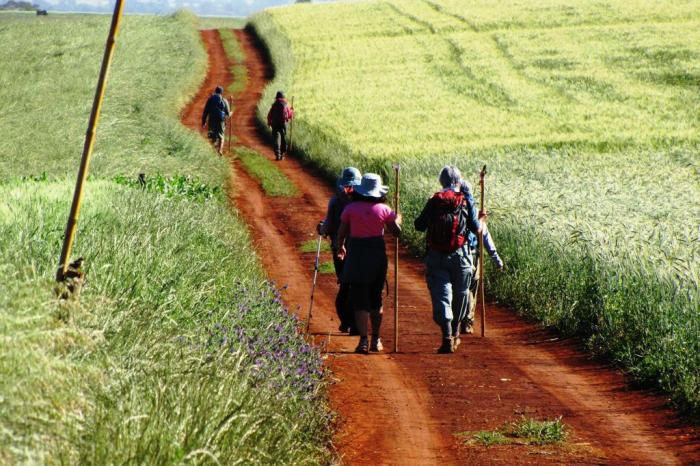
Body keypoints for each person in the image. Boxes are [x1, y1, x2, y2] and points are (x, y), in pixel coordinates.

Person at [414, 166, 481, 354]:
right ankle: (457, 333)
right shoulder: (466, 200)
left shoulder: (434, 200)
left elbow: (419, 225)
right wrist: (481, 221)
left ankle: (447, 337)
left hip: (437, 256)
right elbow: (476, 227)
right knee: (460, 294)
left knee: (442, 294)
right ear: (459, 181)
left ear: (441, 181)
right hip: (462, 255)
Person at [337, 173, 402, 354]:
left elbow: (341, 234)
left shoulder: (350, 208)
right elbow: (397, 232)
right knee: (376, 299)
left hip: (357, 256)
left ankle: (363, 341)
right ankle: (376, 339)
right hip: (377, 258)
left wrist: (341, 247)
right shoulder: (384, 209)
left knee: (360, 300)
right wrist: (397, 217)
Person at [318, 167, 362, 334]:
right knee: (355, 285)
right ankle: (354, 323)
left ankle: (346, 320)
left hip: (339, 249)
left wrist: (321, 229)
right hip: (359, 248)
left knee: (345, 284)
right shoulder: (362, 201)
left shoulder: (336, 201)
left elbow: (328, 225)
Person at [201, 86, 230, 155]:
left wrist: (204, 121)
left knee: (212, 135)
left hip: (211, 120)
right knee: (221, 136)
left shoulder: (210, 99)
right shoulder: (224, 100)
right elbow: (227, 113)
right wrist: (230, 113)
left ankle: (213, 151)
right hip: (220, 121)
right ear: (222, 93)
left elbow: (205, 111)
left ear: (215, 91)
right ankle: (220, 150)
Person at [266, 91, 294, 160]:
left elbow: (269, 115)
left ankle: (277, 154)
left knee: (276, 138)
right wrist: (292, 111)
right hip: (283, 123)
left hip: (274, 124)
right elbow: (289, 115)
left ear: (277, 97)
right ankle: (282, 154)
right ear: (283, 97)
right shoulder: (285, 104)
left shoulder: (274, 105)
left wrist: (269, 123)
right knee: (283, 139)